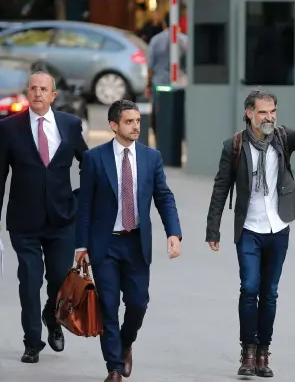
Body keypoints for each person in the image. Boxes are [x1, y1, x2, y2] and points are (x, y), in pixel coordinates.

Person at [205, 70, 295, 377]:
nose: (269, 117)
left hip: (278, 227)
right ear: (249, 114)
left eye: (273, 112)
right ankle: (248, 353)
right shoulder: (234, 146)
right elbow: (221, 187)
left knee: (269, 292)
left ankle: (263, 353)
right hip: (249, 228)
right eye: (263, 112)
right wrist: (213, 228)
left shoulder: (283, 139)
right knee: (249, 289)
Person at [74, 99, 182, 382]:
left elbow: (164, 197)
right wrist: (81, 246)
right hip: (105, 244)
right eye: (129, 122)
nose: (136, 126)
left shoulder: (151, 157)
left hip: (136, 243)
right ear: (114, 125)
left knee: (137, 303)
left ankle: (126, 342)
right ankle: (114, 368)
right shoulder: (94, 158)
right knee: (108, 304)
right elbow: (84, 205)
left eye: (137, 121)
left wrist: (173, 233)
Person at [0, 71, 88, 363]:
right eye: (33, 88)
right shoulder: (10, 127)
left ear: (53, 96)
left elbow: (88, 163)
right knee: (29, 282)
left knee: (58, 279)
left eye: (43, 89)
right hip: (24, 222)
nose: (38, 93)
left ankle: (52, 319)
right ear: (27, 93)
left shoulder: (69, 125)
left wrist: (81, 200)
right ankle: (32, 342)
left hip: (62, 220)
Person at [145, 12, 188, 135]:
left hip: (159, 82)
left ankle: (160, 134)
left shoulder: (155, 40)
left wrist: (147, 86)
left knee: (159, 112)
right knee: (179, 112)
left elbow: (150, 66)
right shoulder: (184, 40)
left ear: (164, 22)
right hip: (180, 83)